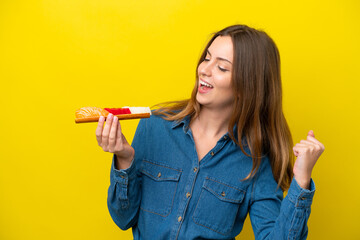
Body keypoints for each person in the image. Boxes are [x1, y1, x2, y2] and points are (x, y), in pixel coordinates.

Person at [95, 24, 325, 240]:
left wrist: (302, 180)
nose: (204, 70)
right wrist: (124, 159)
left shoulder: (256, 162)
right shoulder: (154, 125)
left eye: (221, 67)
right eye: (206, 58)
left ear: (248, 86)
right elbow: (124, 218)